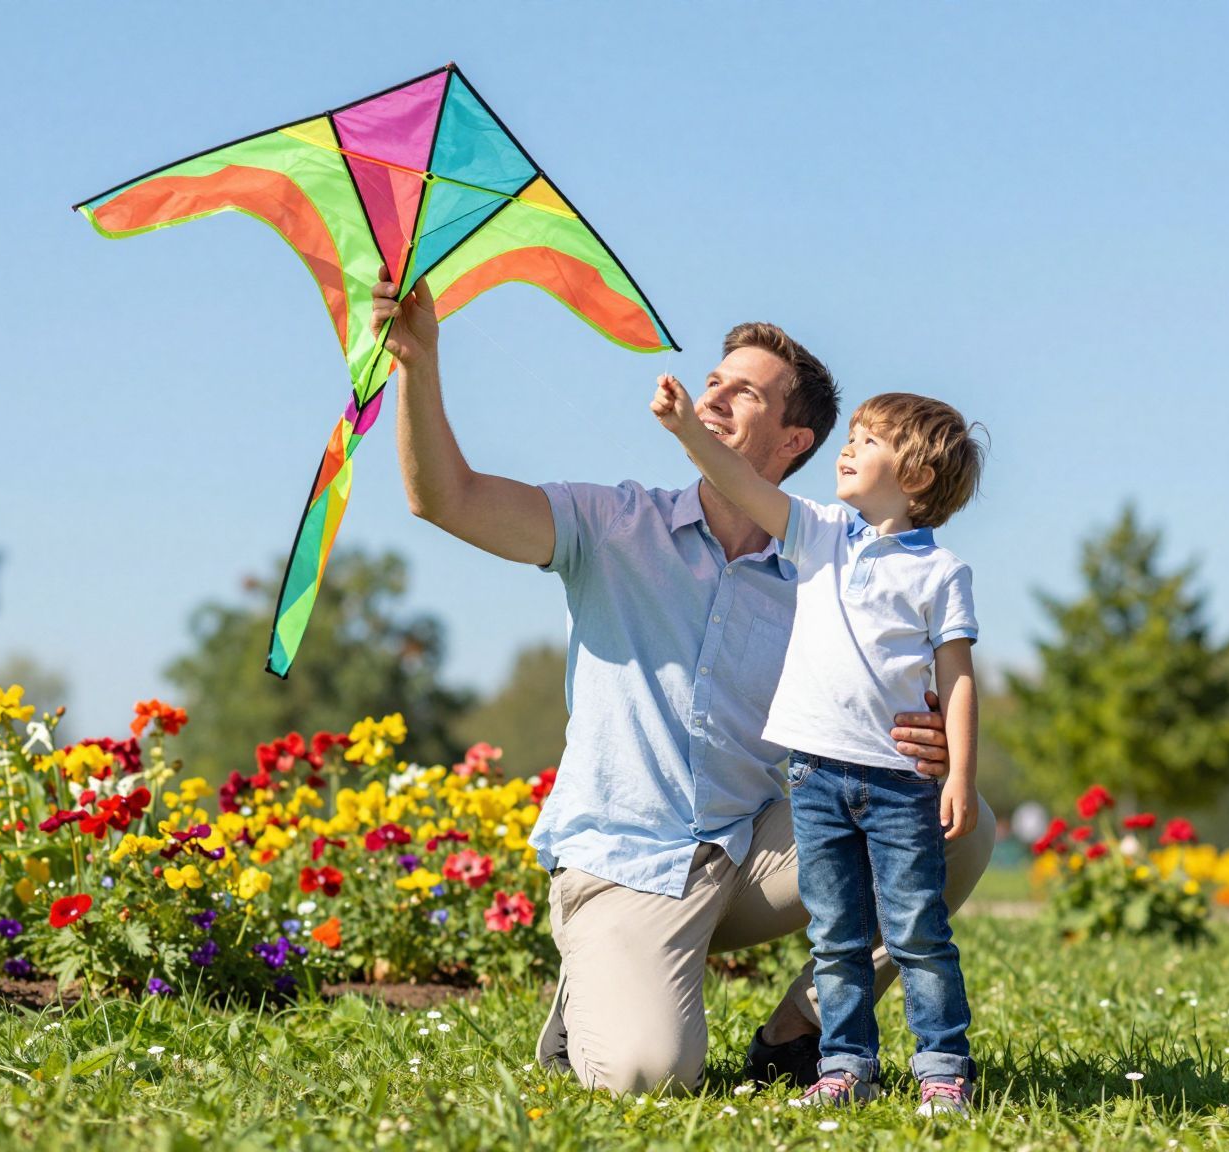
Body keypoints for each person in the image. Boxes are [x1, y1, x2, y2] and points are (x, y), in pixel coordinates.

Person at [370, 279, 997, 1096]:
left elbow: (892, 685)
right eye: (714, 380)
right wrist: (417, 364)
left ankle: (796, 1033)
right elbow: (443, 499)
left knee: (960, 826)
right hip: (625, 864)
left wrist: (933, 742)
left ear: (792, 439)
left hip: (748, 852)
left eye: (746, 391)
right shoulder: (610, 525)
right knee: (647, 1074)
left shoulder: (828, 567)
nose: (714, 396)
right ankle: (594, 990)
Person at [652, 378, 986, 1115]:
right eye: (851, 436)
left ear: (917, 477)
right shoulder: (819, 533)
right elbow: (741, 480)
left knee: (916, 934)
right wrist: (688, 432)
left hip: (899, 784)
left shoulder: (940, 572)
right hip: (814, 779)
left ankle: (942, 1070)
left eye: (867, 441)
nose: (847, 449)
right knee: (835, 938)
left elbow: (957, 679)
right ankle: (844, 1067)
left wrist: (960, 773)